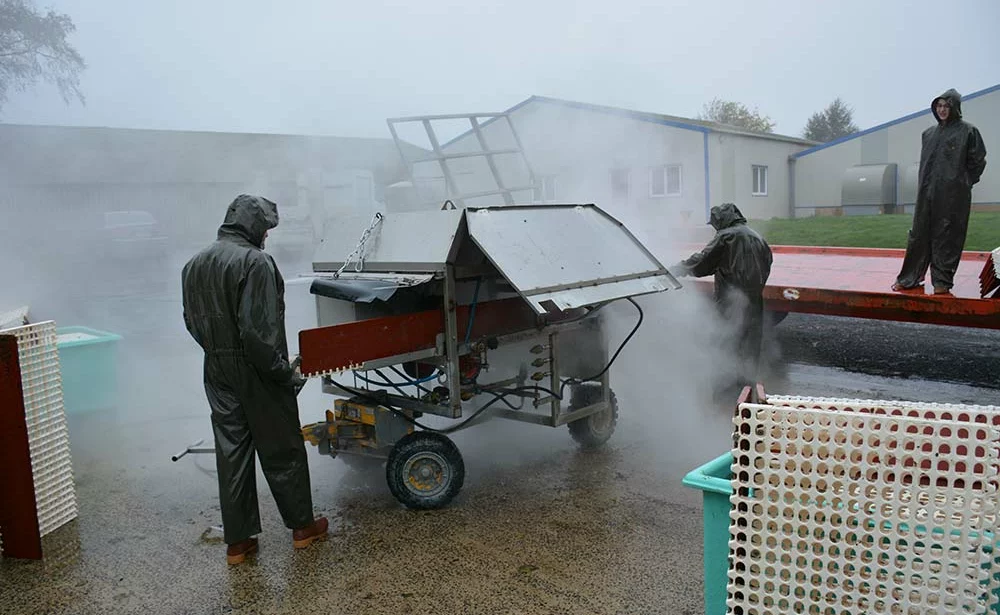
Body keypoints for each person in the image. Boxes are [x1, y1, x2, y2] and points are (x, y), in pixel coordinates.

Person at [181, 194, 327, 565]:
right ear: (254, 226)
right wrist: (284, 373)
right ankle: (302, 528)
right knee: (282, 448)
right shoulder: (255, 262)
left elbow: (191, 322)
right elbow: (257, 335)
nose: (267, 237)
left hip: (215, 368)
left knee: (231, 452)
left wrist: (218, 353)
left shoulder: (193, 264)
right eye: (265, 229)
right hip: (256, 369)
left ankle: (238, 543)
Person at [893, 88, 988, 295]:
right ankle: (909, 278)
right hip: (926, 192)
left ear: (955, 107)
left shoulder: (968, 131)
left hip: (954, 195)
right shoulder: (928, 134)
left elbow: (978, 161)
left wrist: (963, 183)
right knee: (919, 234)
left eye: (947, 106)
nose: (943, 110)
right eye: (939, 106)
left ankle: (942, 281)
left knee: (947, 235)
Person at [672, 203, 773, 385]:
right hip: (755, 301)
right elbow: (768, 264)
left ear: (721, 220)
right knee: (750, 346)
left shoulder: (726, 237)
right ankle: (747, 388)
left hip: (730, 301)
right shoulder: (758, 237)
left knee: (726, 343)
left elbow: (702, 262)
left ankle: (725, 392)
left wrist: (679, 268)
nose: (714, 228)